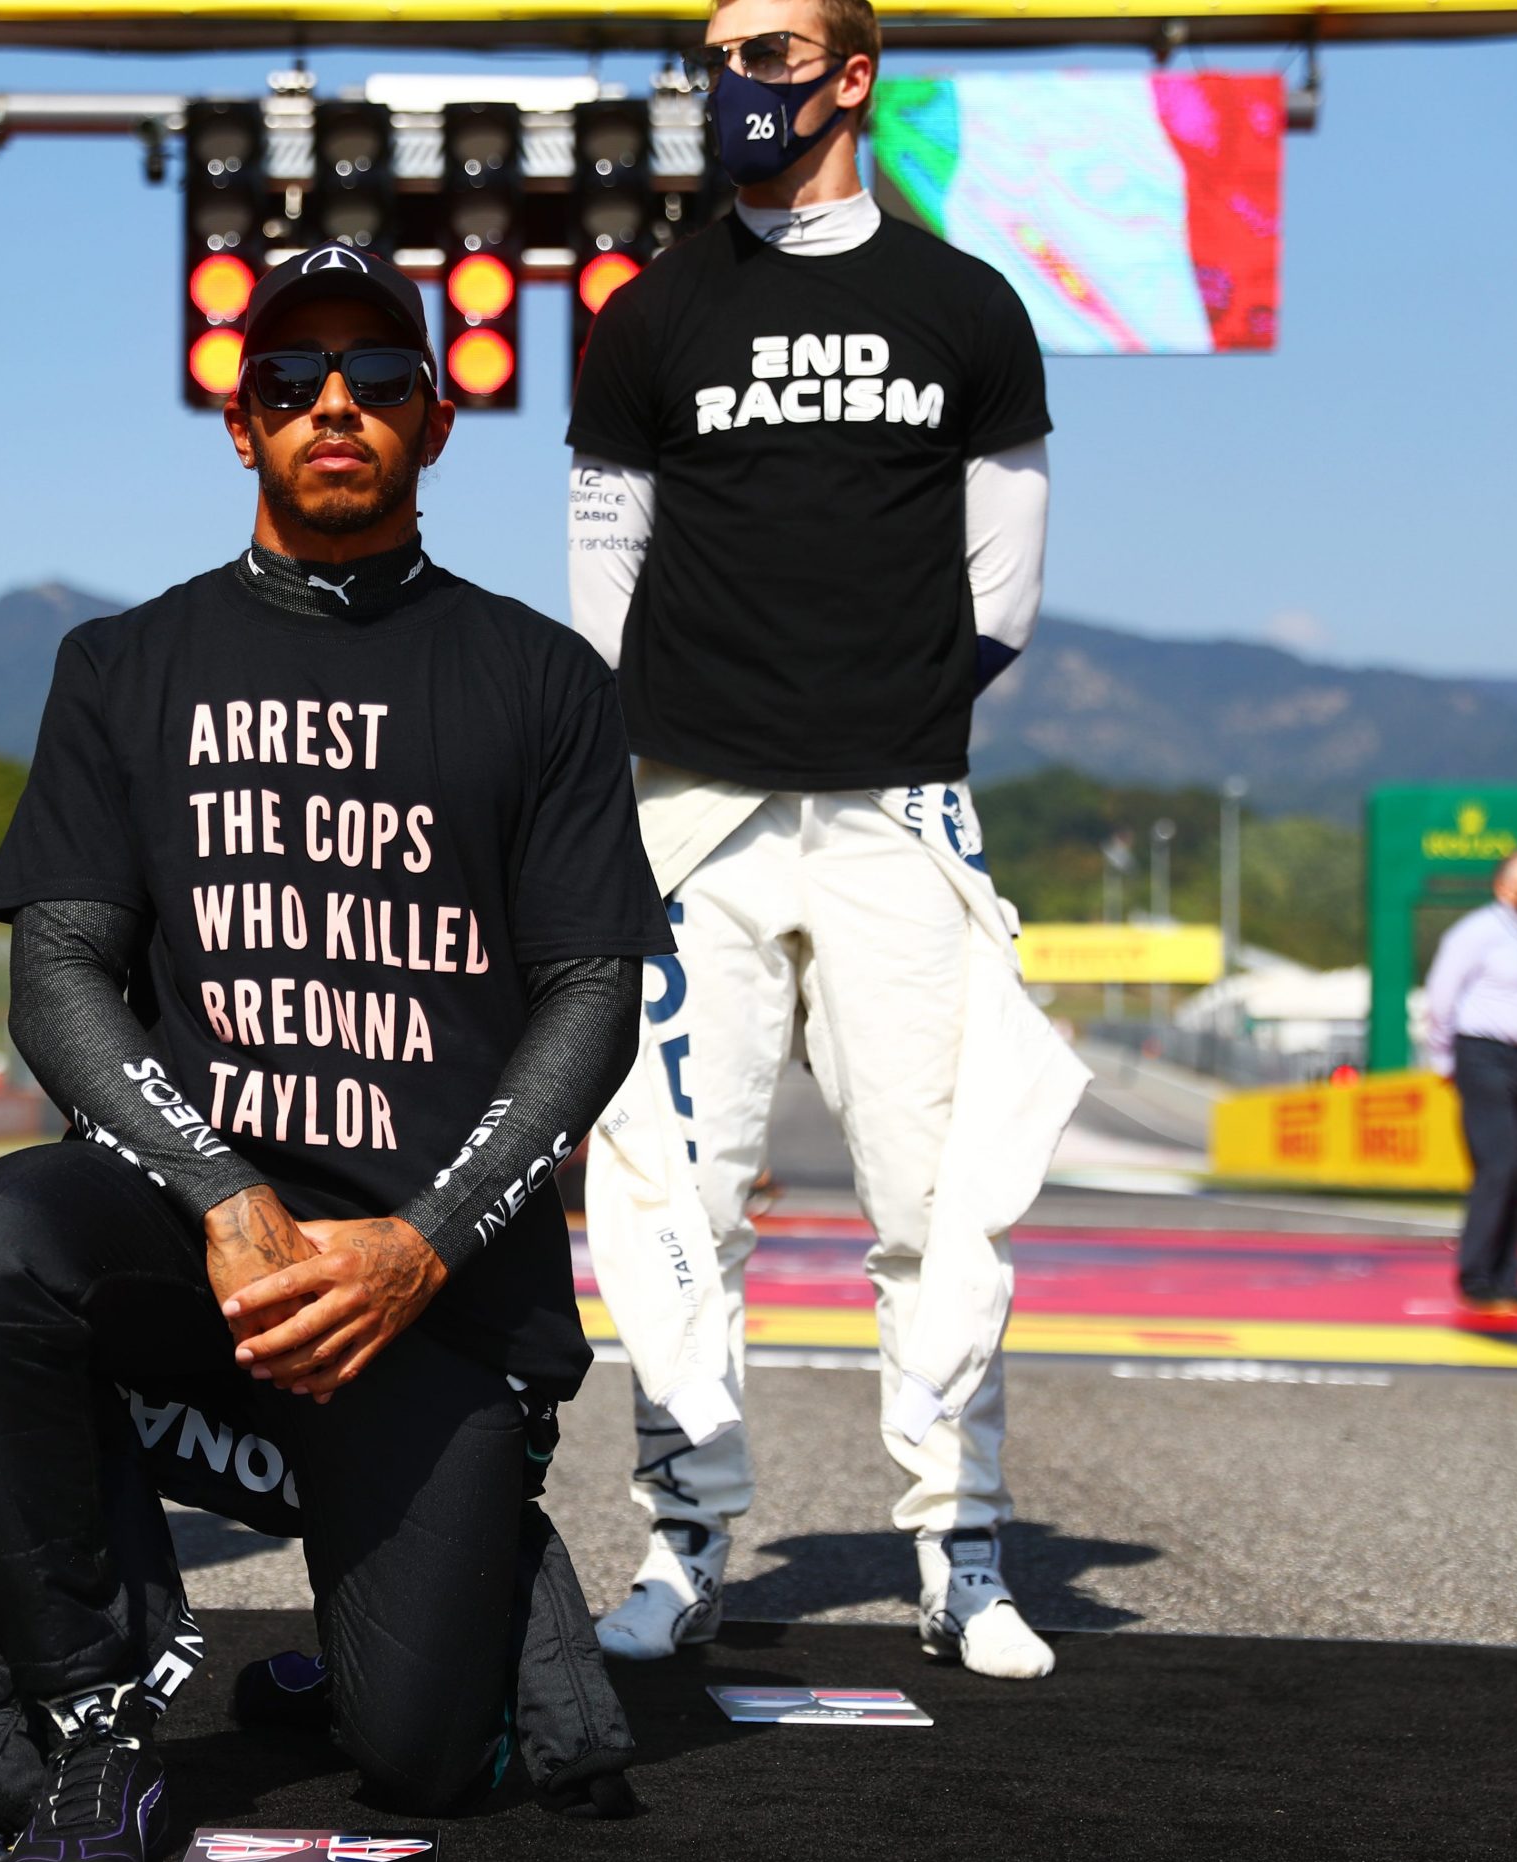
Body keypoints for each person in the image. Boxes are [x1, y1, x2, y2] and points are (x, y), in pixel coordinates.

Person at [0, 244, 670, 1862]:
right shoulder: (124, 666)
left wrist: (426, 1243)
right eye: (292, 380)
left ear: (436, 421)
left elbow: (592, 996)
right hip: (202, 1256)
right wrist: (220, 1190)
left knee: (419, 1762)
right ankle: (91, 1731)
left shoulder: (539, 678)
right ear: (240, 425)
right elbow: (59, 977)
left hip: (429, 1282)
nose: (337, 403)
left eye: (379, 379)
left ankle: (454, 1588)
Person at [566, 0, 1085, 1682]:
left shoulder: (966, 306)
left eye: (773, 52)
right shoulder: (646, 317)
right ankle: (687, 1538)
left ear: (854, 74)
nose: (740, 84)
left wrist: (887, 712)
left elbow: (1001, 588)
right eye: (716, 53)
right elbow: (605, 585)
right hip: (690, 817)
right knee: (669, 1193)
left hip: (893, 807)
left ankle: (962, 1546)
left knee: (938, 1195)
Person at [1424, 849, 1517, 1306]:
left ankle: (1508, 1276)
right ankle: (1476, 1273)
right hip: (1483, 1054)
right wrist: (1444, 1058)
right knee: (1498, 1166)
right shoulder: (1477, 932)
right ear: (1504, 886)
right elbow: (1442, 996)